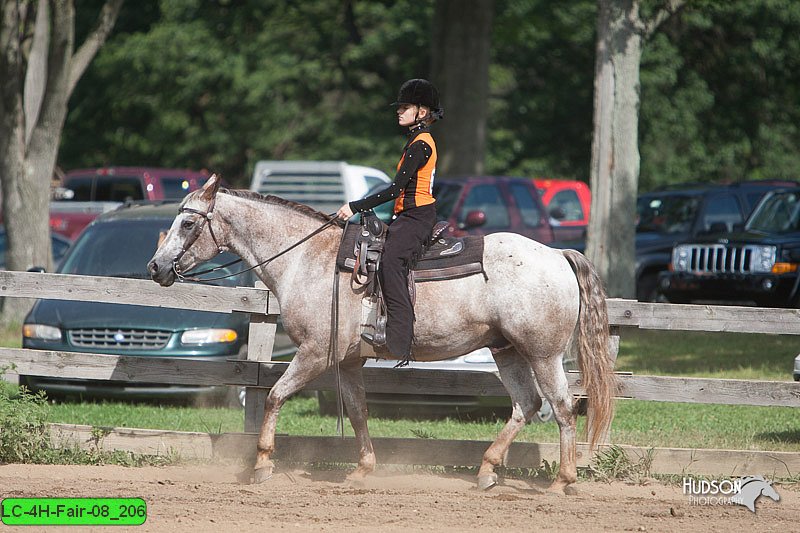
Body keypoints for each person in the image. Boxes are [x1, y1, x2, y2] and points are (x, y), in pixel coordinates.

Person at [337, 78, 444, 361]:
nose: (399, 111)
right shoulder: (415, 141)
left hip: (417, 216)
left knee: (391, 261)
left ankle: (399, 337)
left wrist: (356, 206)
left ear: (421, 112)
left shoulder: (421, 144)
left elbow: (395, 189)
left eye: (405, 107)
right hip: (407, 215)